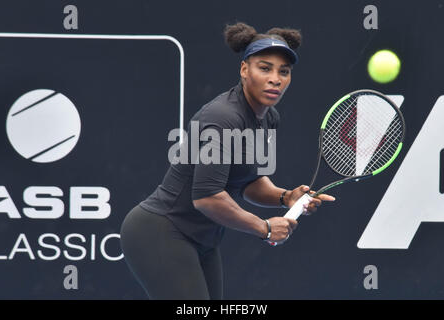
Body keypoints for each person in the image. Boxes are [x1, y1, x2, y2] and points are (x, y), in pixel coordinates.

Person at [120, 22, 335, 300]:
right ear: (244, 70)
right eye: (265, 68)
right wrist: (264, 227)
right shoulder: (222, 117)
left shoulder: (268, 117)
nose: (275, 79)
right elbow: (207, 198)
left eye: (284, 72)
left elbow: (249, 182)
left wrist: (286, 197)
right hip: (161, 232)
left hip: (204, 240)